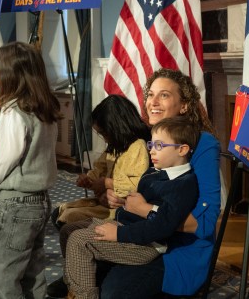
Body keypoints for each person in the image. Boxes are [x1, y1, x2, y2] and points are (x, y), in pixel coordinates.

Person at [47, 68, 221, 299]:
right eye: (150, 94)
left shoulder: (203, 143)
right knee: (72, 232)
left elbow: (205, 222)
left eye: (164, 95)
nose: (153, 102)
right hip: (139, 231)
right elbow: (140, 190)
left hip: (176, 247)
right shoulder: (151, 139)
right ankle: (78, 278)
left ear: (184, 105)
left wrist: (144, 210)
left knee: (112, 292)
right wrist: (115, 199)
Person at [64, 117, 200, 299]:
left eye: (159, 146)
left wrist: (117, 234)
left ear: (182, 149)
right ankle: (77, 284)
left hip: (145, 245)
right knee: (68, 229)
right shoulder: (155, 172)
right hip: (125, 228)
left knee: (79, 240)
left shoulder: (183, 184)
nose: (151, 150)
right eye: (151, 144)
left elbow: (162, 225)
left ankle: (84, 295)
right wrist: (122, 203)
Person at [0, 42, 61, 299]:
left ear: (9, 75)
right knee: (31, 273)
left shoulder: (13, 111)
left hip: (16, 205)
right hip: (39, 202)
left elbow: (4, 158)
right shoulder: (44, 108)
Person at [52, 95, 150, 228]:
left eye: (104, 133)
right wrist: (89, 180)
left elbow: (138, 184)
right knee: (59, 212)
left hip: (120, 210)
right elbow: (99, 169)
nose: (104, 139)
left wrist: (107, 183)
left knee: (67, 220)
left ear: (117, 128)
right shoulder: (115, 146)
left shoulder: (138, 146)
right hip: (104, 204)